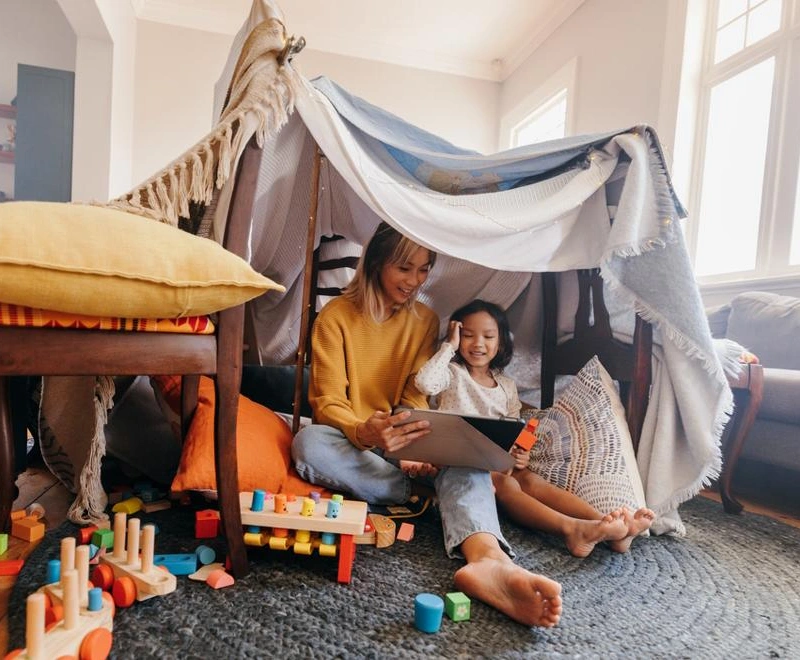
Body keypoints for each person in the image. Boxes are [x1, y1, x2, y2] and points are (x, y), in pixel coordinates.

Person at [292, 223, 562, 627]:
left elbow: (416, 395)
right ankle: (429, 496)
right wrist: (365, 430)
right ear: (378, 262)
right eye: (405, 268)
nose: (415, 281)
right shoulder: (334, 319)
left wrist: (414, 441)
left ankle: (488, 560)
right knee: (308, 443)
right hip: (358, 438)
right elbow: (328, 402)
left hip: (404, 440)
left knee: (463, 451)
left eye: (424, 269)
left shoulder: (424, 320)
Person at [414, 299, 655, 558]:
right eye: (468, 335)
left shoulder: (506, 386)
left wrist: (521, 454)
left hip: (499, 463)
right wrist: (449, 345)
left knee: (530, 479)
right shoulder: (452, 373)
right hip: (463, 466)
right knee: (508, 486)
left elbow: (517, 431)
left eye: (488, 336)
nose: (478, 344)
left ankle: (609, 525)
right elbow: (425, 383)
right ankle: (571, 530)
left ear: (501, 342)